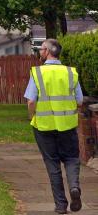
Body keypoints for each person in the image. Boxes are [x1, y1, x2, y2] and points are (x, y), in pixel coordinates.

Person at [24, 38, 84, 214]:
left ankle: (60, 205)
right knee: (72, 159)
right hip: (67, 126)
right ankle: (74, 187)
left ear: (48, 51)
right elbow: (80, 101)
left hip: (43, 127)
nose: (40, 52)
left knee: (53, 165)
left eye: (41, 49)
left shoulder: (38, 73)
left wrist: (31, 117)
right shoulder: (71, 73)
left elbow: (31, 101)